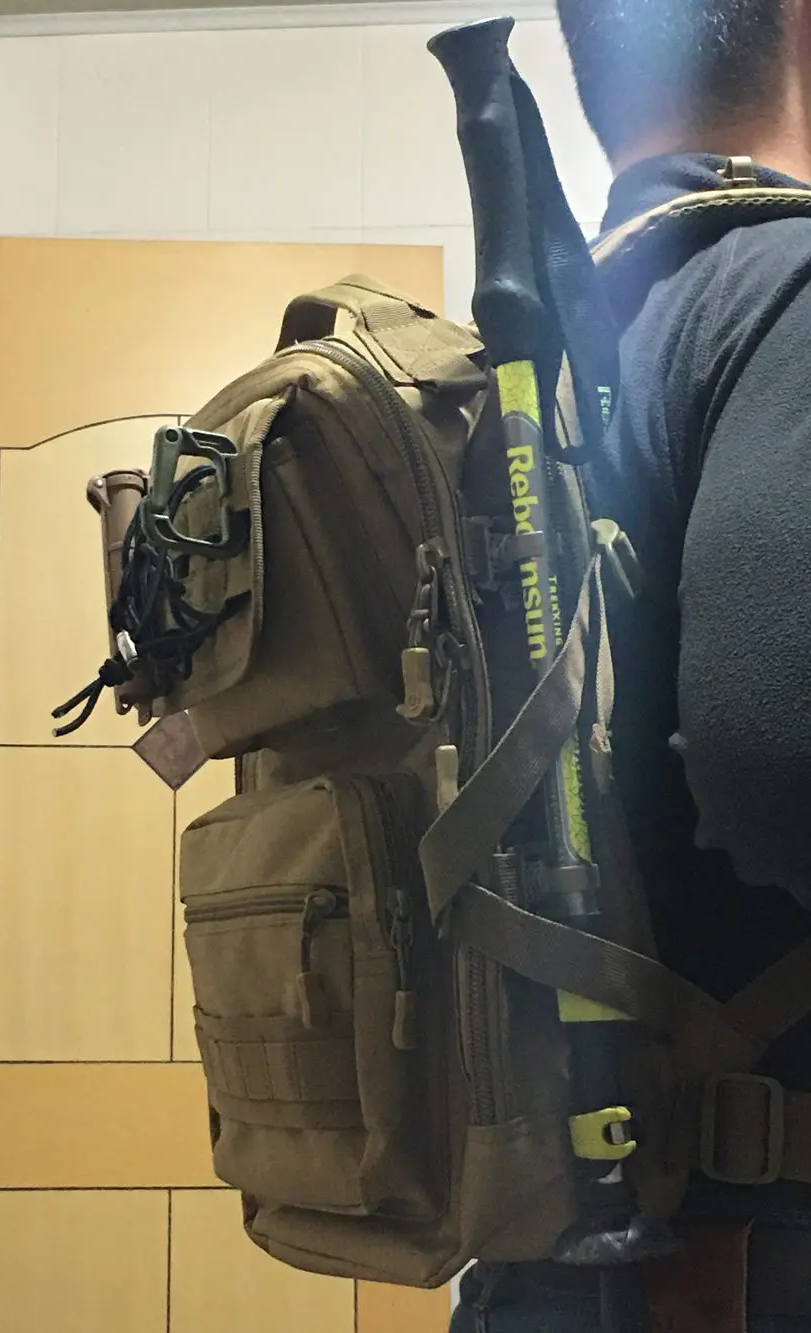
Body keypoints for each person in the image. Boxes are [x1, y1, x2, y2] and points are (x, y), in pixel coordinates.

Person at [452, 1, 811, 1328]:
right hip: (749, 1264)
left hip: (552, 1255)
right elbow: (781, 765)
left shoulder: (528, 362)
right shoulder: (786, 291)